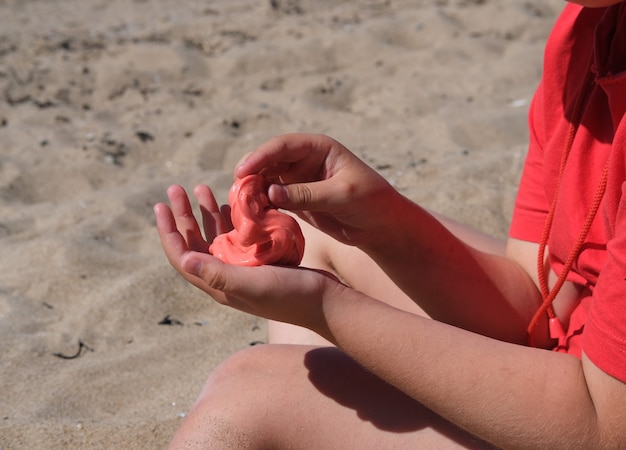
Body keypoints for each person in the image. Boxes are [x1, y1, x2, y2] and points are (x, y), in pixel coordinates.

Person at [154, 0, 626, 448]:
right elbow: (538, 310)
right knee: (324, 231)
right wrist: (386, 224)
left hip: (597, 416)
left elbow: (603, 427)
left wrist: (327, 307)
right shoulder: (586, 31)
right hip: (582, 369)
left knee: (245, 395)